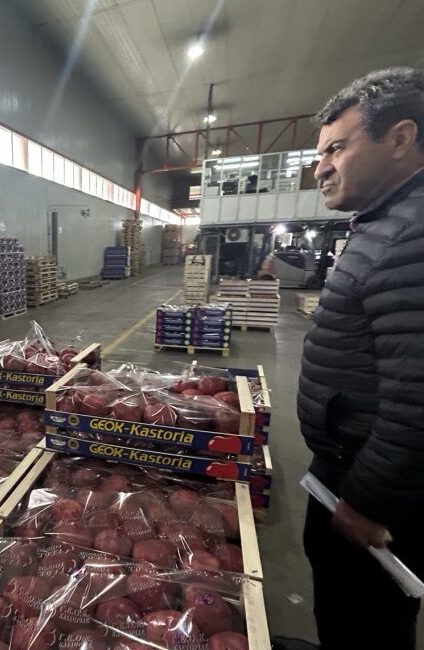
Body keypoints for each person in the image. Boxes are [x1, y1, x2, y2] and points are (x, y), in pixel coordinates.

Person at [298, 67, 424, 650]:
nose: (320, 167)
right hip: (348, 472)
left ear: (400, 138)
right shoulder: (387, 224)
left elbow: (417, 396)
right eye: (319, 153)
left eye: (337, 149)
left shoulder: (411, 237)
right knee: (345, 613)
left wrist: (369, 500)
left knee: (364, 625)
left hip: (373, 492)